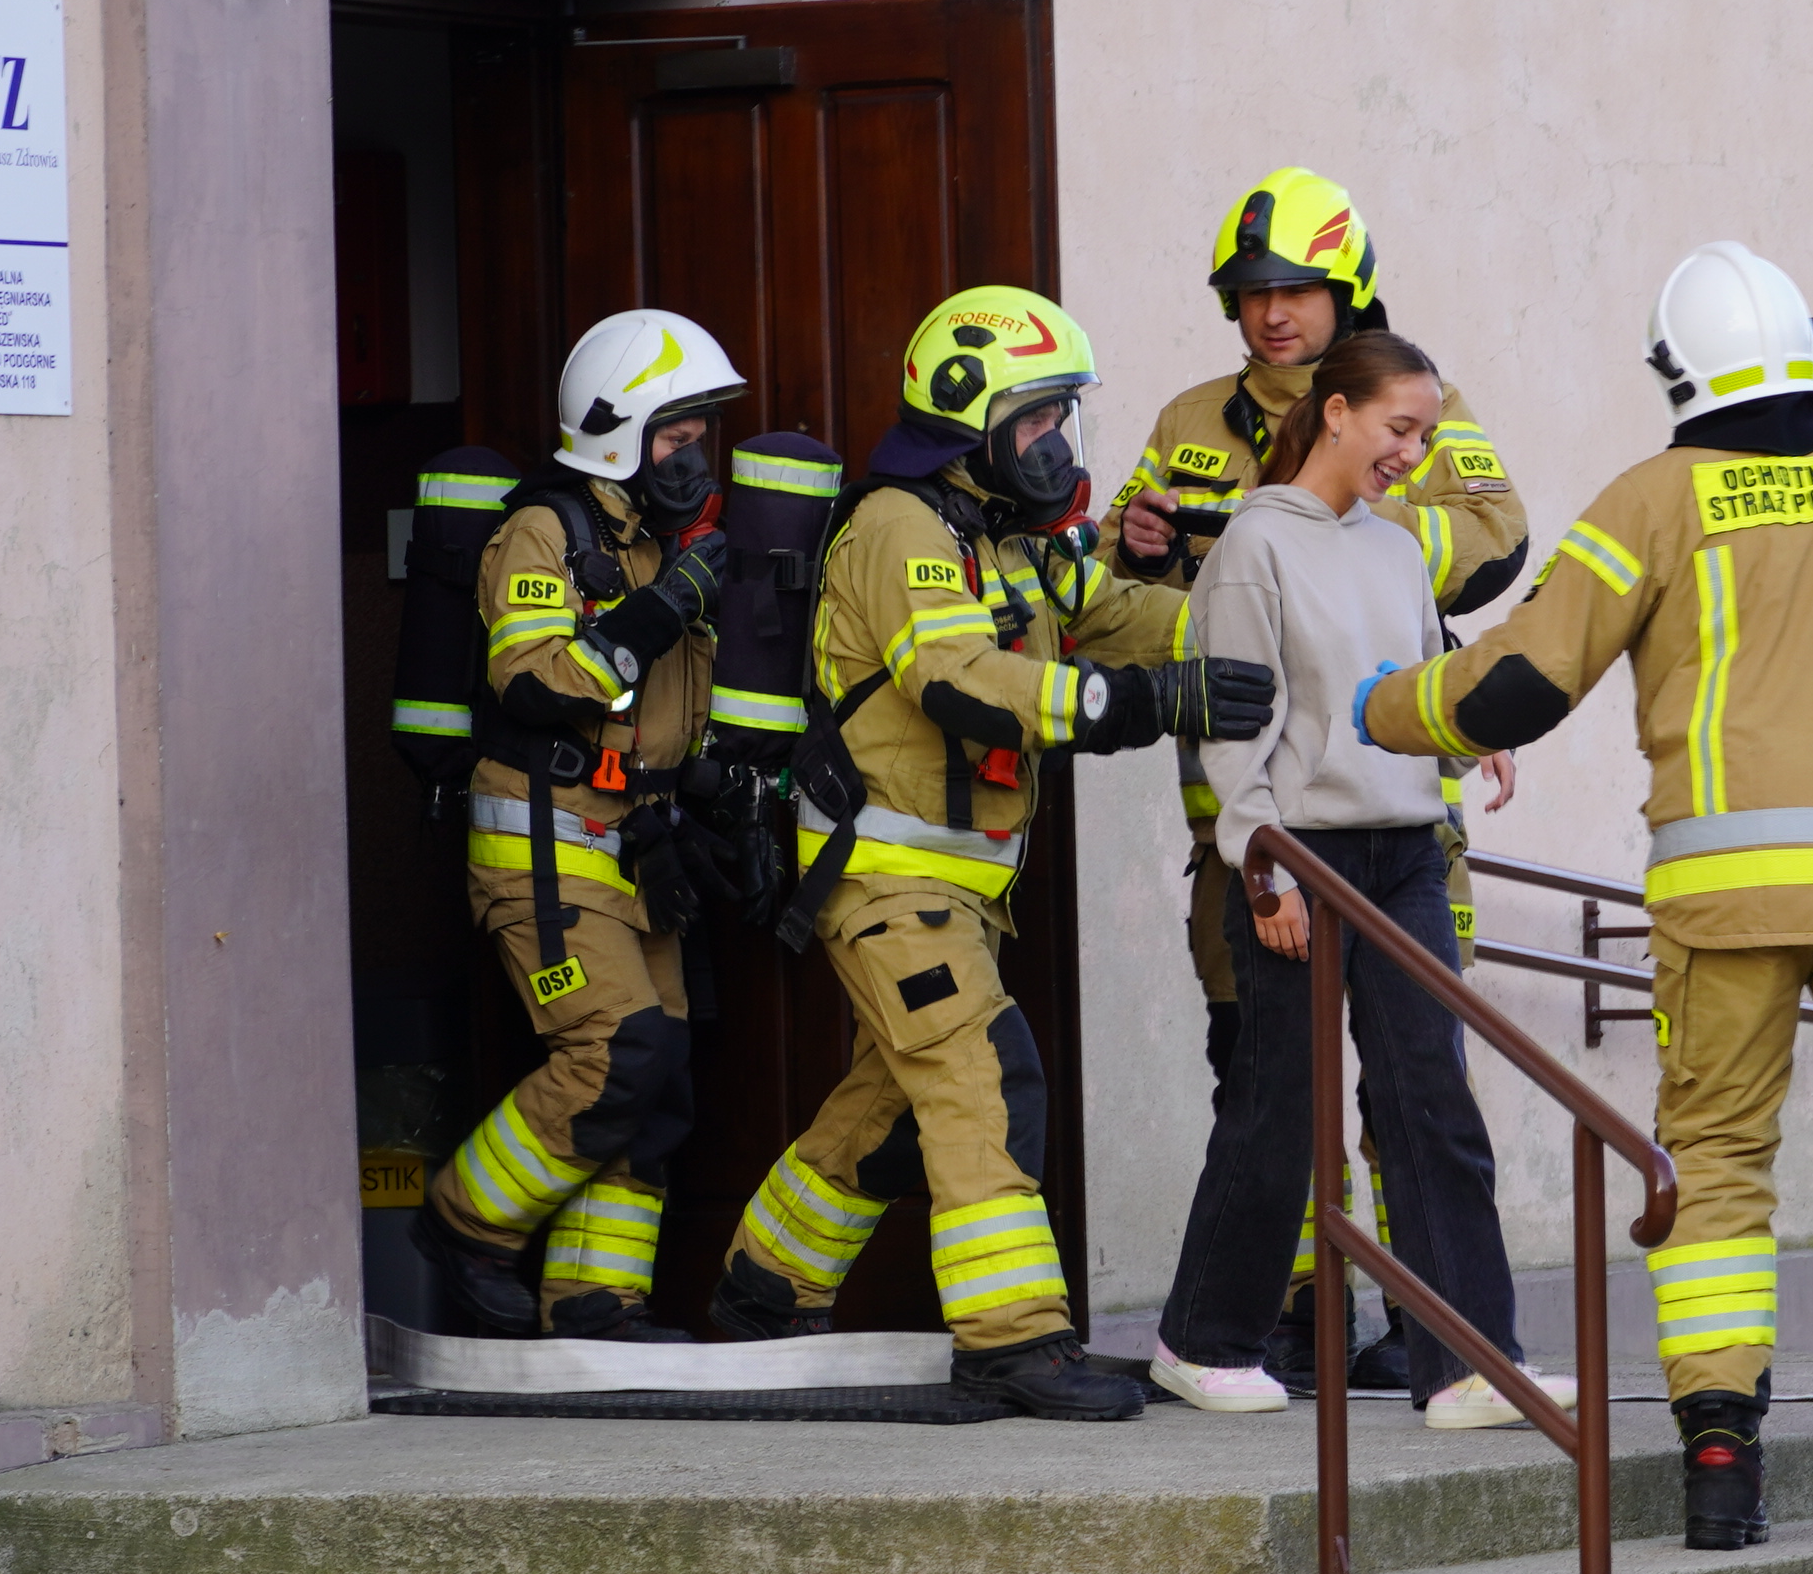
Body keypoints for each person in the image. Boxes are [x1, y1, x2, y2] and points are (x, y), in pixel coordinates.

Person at [1352, 243, 1813, 1574]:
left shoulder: (1654, 501)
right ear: (1810, 348)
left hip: (1722, 907)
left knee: (1717, 1168)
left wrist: (1385, 705)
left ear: (1677, 373)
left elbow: (1514, 690)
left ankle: (1721, 1471)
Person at [708, 285, 1277, 1421]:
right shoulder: (901, 529)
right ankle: (1013, 1340)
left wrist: (1261, 630)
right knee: (984, 1080)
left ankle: (763, 1291)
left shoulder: (1007, 539)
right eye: (1037, 418)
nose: (1057, 441)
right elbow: (959, 680)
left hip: (954, 890)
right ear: (970, 417)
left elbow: (1119, 611)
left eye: (1065, 415)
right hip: (887, 879)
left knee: (889, 1111)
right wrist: (1151, 703)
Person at [1106, 166, 1529, 1386]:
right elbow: (1114, 600)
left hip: (1390, 823)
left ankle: (1428, 1334)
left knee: (1416, 1092)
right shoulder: (1190, 423)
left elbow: (1492, 537)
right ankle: (1282, 1321)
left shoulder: (1408, 418)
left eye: (1296, 290)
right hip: (1254, 836)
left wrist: (1357, 532)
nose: (1271, 312)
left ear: (1348, 298)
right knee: (1265, 1090)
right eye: (1252, 293)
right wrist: (1144, 544)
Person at [413, 308, 745, 1342]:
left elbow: (665, 716)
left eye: (700, 436)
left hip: (637, 847)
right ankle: (465, 1224)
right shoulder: (545, 532)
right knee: (615, 1050)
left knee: (661, 1074)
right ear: (616, 431)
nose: (693, 456)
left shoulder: (658, 544)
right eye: (674, 435)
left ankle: (595, 1301)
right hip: (544, 842)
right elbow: (532, 679)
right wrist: (661, 609)